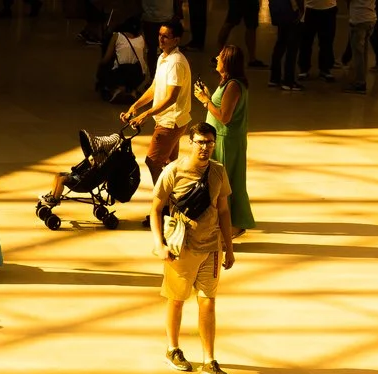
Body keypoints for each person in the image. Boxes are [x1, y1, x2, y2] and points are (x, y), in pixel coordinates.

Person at [151, 123, 235, 374]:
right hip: (182, 247)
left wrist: (228, 248)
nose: (205, 147)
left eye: (209, 142)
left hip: (211, 247)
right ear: (190, 142)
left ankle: (209, 360)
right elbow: (155, 209)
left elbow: (223, 211)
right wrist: (159, 243)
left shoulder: (218, 172)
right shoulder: (173, 171)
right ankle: (172, 348)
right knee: (176, 299)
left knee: (208, 301)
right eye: (200, 142)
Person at [122, 21, 194, 187]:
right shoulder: (163, 57)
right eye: (160, 35)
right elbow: (155, 87)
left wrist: (146, 114)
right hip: (173, 120)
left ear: (176, 40)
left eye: (165, 37)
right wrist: (136, 106)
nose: (161, 39)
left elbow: (171, 98)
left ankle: (163, 200)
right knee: (170, 163)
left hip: (171, 122)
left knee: (153, 162)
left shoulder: (175, 63)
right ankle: (171, 199)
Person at [193, 46, 254, 231]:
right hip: (224, 138)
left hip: (226, 141)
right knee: (225, 181)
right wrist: (209, 98)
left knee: (225, 183)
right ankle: (230, 222)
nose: (216, 59)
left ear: (227, 62)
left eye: (219, 57)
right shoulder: (228, 83)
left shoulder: (233, 85)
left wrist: (205, 100)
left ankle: (233, 224)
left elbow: (224, 117)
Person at [340, 0, 375, 91]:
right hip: (370, 18)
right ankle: (362, 78)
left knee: (358, 54)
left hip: (359, 19)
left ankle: (360, 82)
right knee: (363, 53)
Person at [267, 0, 303, 88]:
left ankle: (274, 78)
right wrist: (301, 10)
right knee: (292, 47)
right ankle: (288, 80)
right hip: (290, 10)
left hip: (278, 9)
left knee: (281, 43)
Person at [301, 0, 339, 82]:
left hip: (329, 8)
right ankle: (304, 68)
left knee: (327, 41)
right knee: (306, 41)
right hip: (310, 8)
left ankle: (325, 68)